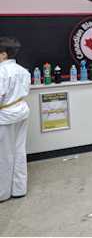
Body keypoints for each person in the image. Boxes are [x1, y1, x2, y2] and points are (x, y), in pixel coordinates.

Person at [0, 37, 31, 202]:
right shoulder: (23, 70)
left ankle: (2, 193)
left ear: (4, 54)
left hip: (5, 116)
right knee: (19, 150)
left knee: (3, 154)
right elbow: (26, 90)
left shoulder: (1, 72)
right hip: (21, 112)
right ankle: (19, 189)